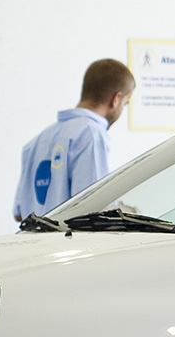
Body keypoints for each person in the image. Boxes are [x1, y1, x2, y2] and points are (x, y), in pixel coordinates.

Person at [13, 59, 135, 221]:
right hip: (72, 245)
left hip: (35, 245)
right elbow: (95, 210)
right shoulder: (92, 135)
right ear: (116, 99)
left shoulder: (35, 142)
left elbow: (19, 214)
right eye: (125, 104)